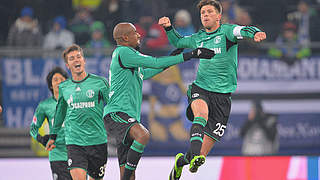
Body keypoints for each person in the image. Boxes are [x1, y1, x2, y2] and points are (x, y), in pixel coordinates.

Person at [158, 0, 267, 179]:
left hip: (223, 98)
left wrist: (256, 33)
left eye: (209, 12)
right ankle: (194, 158)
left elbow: (244, 30)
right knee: (201, 115)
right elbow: (178, 41)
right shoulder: (198, 37)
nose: (205, 15)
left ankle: (182, 162)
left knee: (199, 156)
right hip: (201, 88)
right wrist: (169, 28)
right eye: (202, 13)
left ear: (218, 16)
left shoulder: (227, 32)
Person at [103, 22, 215, 180]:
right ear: (125, 37)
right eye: (135, 33)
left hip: (128, 117)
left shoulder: (129, 60)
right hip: (117, 114)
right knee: (143, 135)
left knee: (129, 175)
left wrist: (173, 57)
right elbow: (155, 62)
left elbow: (152, 70)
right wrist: (191, 54)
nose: (139, 35)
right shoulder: (123, 52)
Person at [46, 44, 109, 180]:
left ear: (84, 61)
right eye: (71, 58)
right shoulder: (64, 87)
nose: (76, 60)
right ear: (68, 65)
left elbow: (113, 107)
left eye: (78, 57)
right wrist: (53, 136)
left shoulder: (100, 83)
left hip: (97, 141)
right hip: (75, 143)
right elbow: (60, 113)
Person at [30, 67, 71, 180]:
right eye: (55, 80)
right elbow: (33, 128)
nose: (59, 82)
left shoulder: (75, 101)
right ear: (50, 86)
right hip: (57, 154)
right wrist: (41, 139)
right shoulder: (45, 106)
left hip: (77, 153)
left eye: (62, 79)